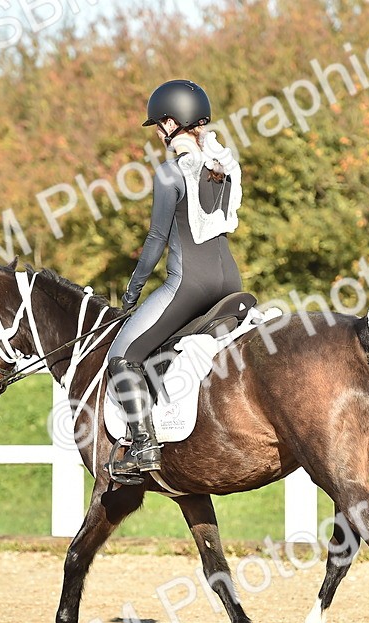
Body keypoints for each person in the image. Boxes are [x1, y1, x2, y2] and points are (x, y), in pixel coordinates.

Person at [106, 79, 243, 482]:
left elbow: (156, 240)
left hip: (190, 284)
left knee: (123, 355)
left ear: (171, 121)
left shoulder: (170, 174)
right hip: (230, 282)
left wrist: (132, 292)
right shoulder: (221, 166)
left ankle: (144, 447)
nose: (160, 134)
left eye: (160, 125)